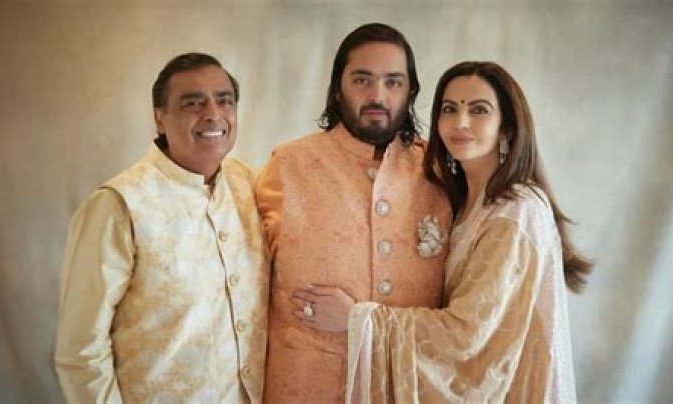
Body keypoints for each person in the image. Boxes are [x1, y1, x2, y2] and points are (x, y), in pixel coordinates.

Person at [295, 61, 593, 403]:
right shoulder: (465, 202)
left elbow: (468, 336)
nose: (460, 122)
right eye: (449, 109)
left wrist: (356, 318)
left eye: (478, 110)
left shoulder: (516, 211)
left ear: (507, 129)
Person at [54, 52, 268, 403]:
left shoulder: (251, 184)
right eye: (192, 103)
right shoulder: (118, 206)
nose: (213, 113)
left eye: (224, 100)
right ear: (160, 119)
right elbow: (81, 350)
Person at [256, 23, 452, 403]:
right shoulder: (289, 166)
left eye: (393, 82)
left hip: (407, 389)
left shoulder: (438, 172)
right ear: (337, 87)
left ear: (411, 91)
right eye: (362, 80)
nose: (378, 95)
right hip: (304, 389)